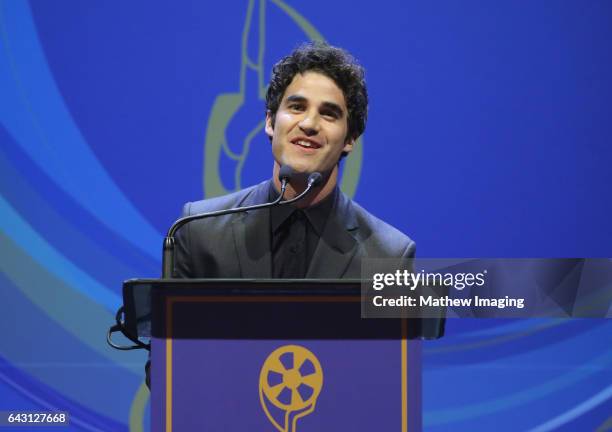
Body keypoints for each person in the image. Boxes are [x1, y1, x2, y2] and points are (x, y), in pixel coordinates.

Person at [173, 42, 415, 279]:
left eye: (328, 114)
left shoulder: (388, 257)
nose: (309, 124)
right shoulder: (200, 231)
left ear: (350, 139)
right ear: (270, 122)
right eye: (297, 107)